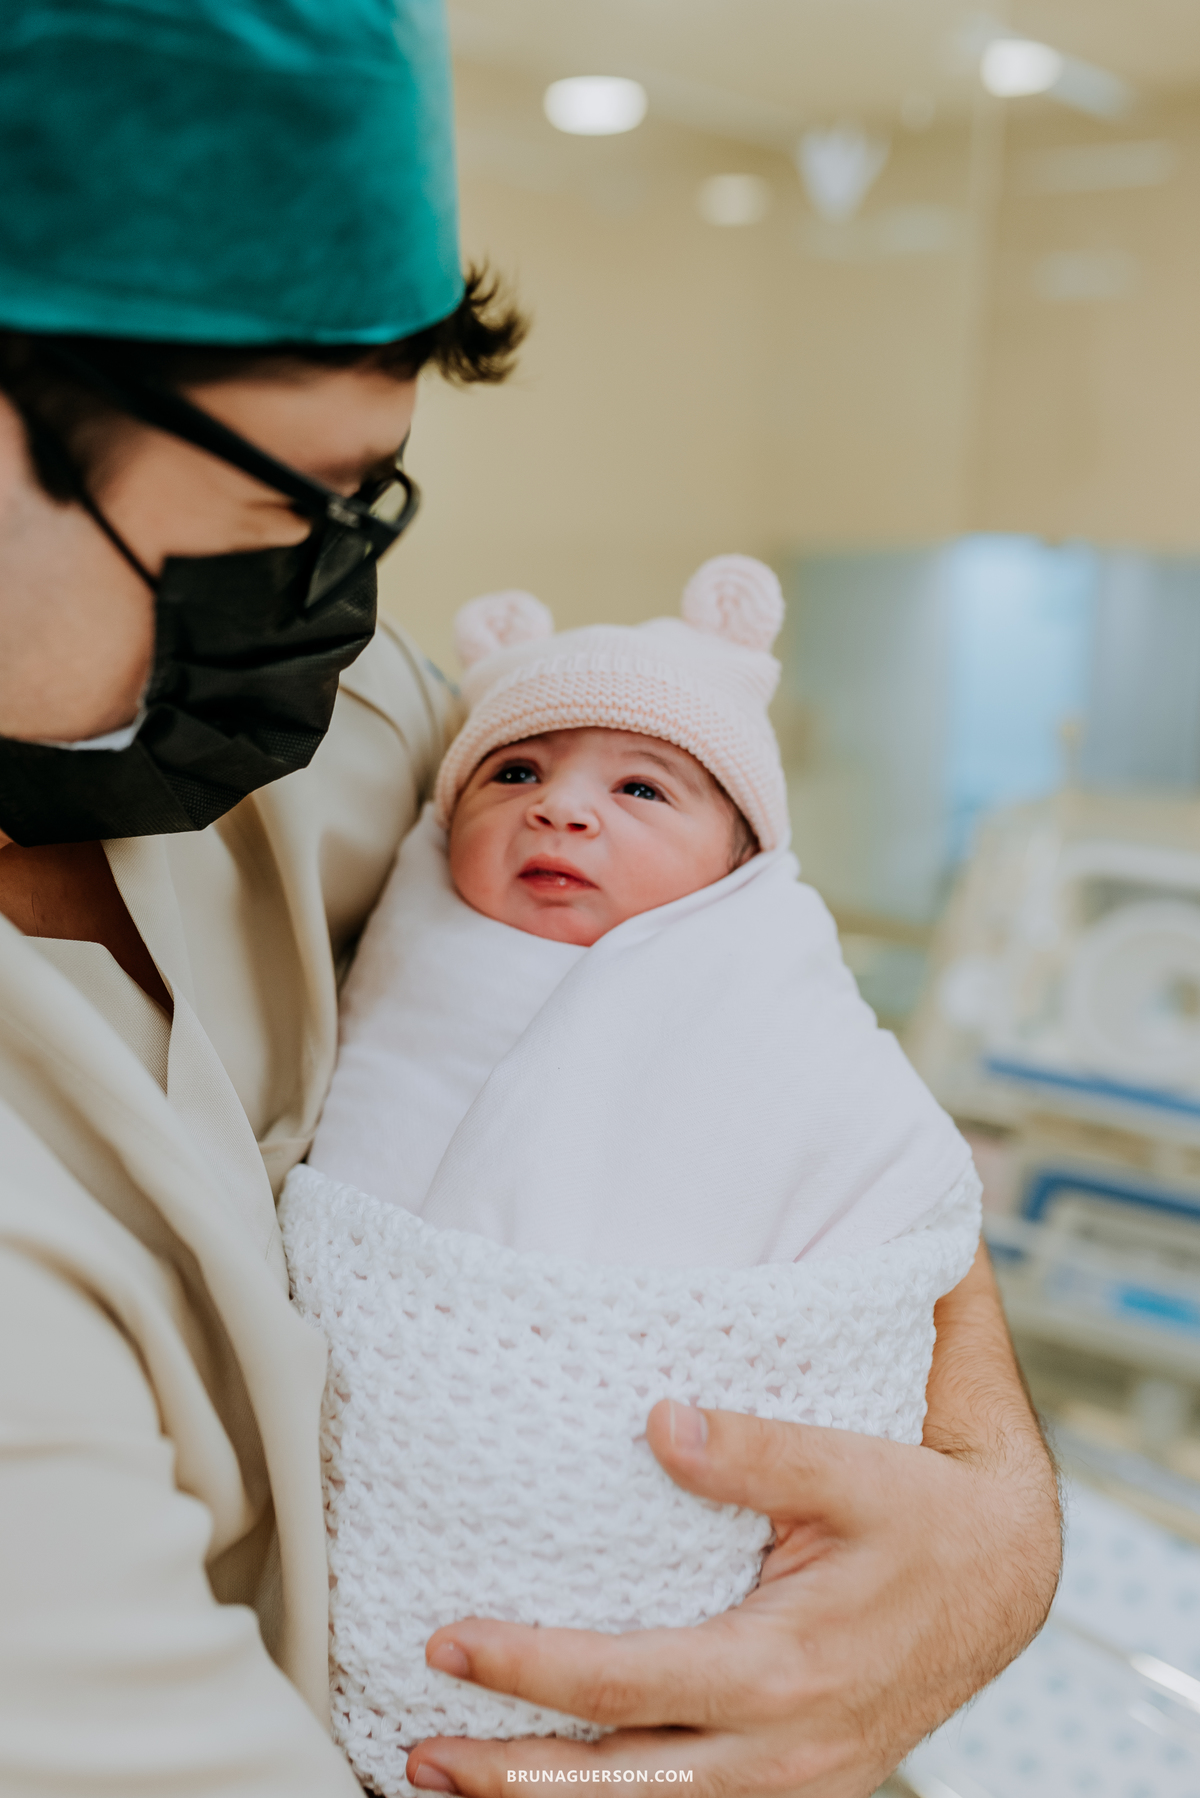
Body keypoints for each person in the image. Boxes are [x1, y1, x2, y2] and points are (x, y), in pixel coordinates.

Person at [0, 4, 1060, 1796]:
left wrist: (991, 1532)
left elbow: (775, 1036)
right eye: (284, 508)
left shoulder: (342, 737)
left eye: (372, 500)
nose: (331, 597)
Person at [285, 562, 983, 1795]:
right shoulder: (403, 977)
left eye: (639, 785)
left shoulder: (767, 1006)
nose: (559, 810)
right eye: (515, 772)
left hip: (668, 1473)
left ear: (741, 854)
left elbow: (895, 1210)